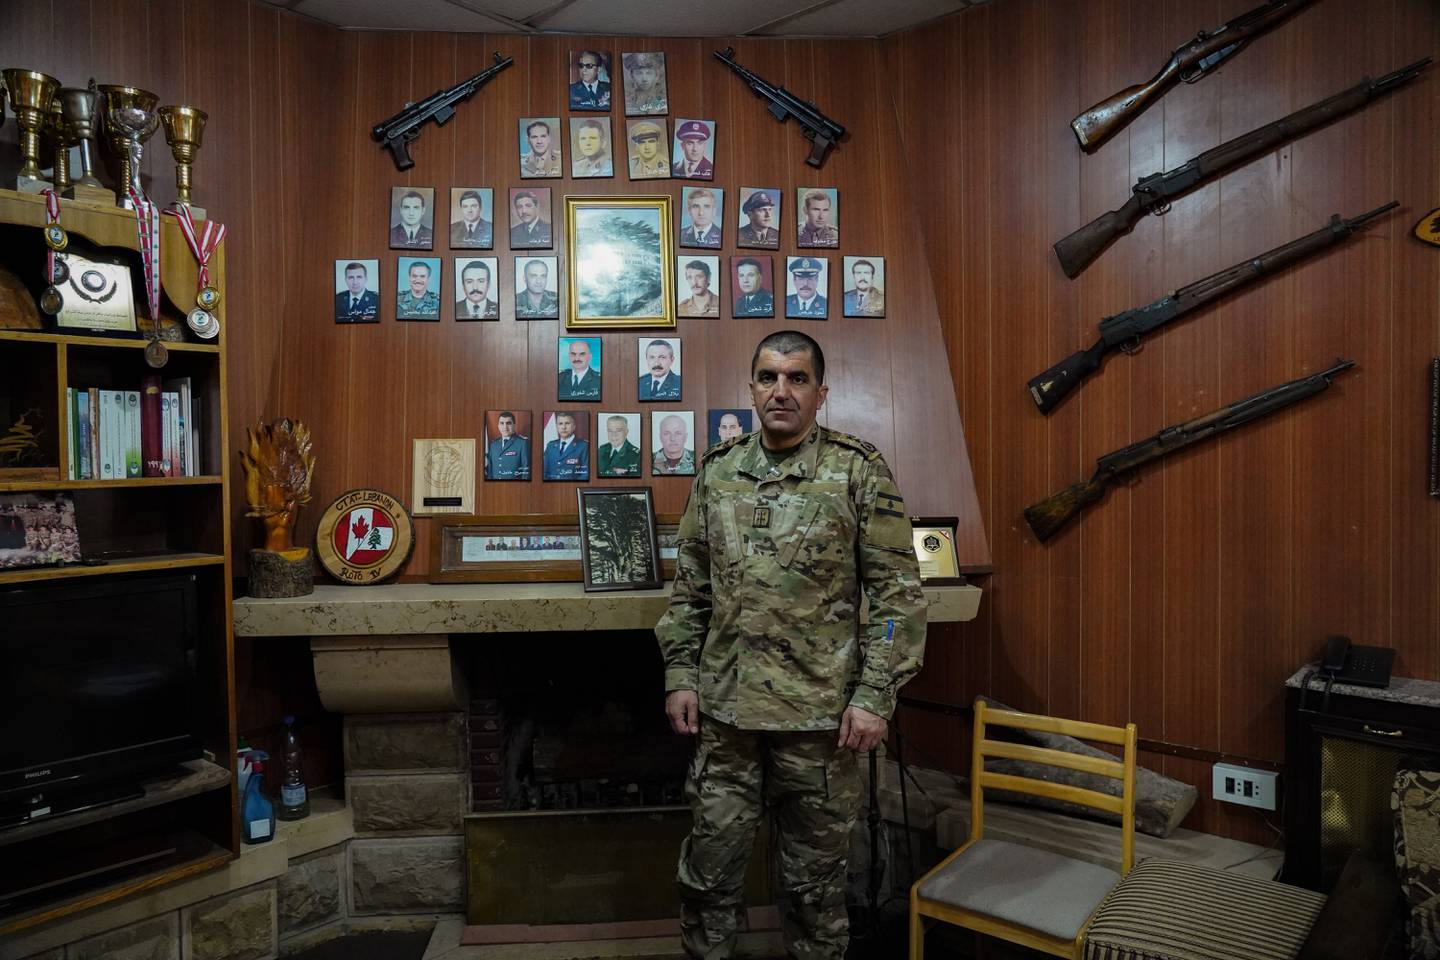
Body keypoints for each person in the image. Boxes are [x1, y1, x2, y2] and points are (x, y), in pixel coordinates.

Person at [656, 330, 927, 960]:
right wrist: (680, 674)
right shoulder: (717, 473)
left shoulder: (858, 471)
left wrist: (876, 695)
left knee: (814, 892)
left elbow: (898, 598)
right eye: (769, 377)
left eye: (797, 378)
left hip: (821, 725)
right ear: (751, 388)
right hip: (726, 719)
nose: (782, 391)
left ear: (821, 392)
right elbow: (690, 591)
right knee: (708, 876)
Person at [543, 412, 590, 481]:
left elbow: (585, 474)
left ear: (574, 426)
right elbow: (544, 472)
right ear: (557, 426)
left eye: (567, 423)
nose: (563, 427)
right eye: (560, 424)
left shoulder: (584, 446)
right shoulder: (550, 445)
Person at [486, 412, 530, 480]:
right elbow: (490, 471)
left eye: (508, 423)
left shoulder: (522, 443)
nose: (505, 427)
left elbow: (526, 471)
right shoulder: (493, 445)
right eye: (502, 423)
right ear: (498, 426)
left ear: (514, 425)